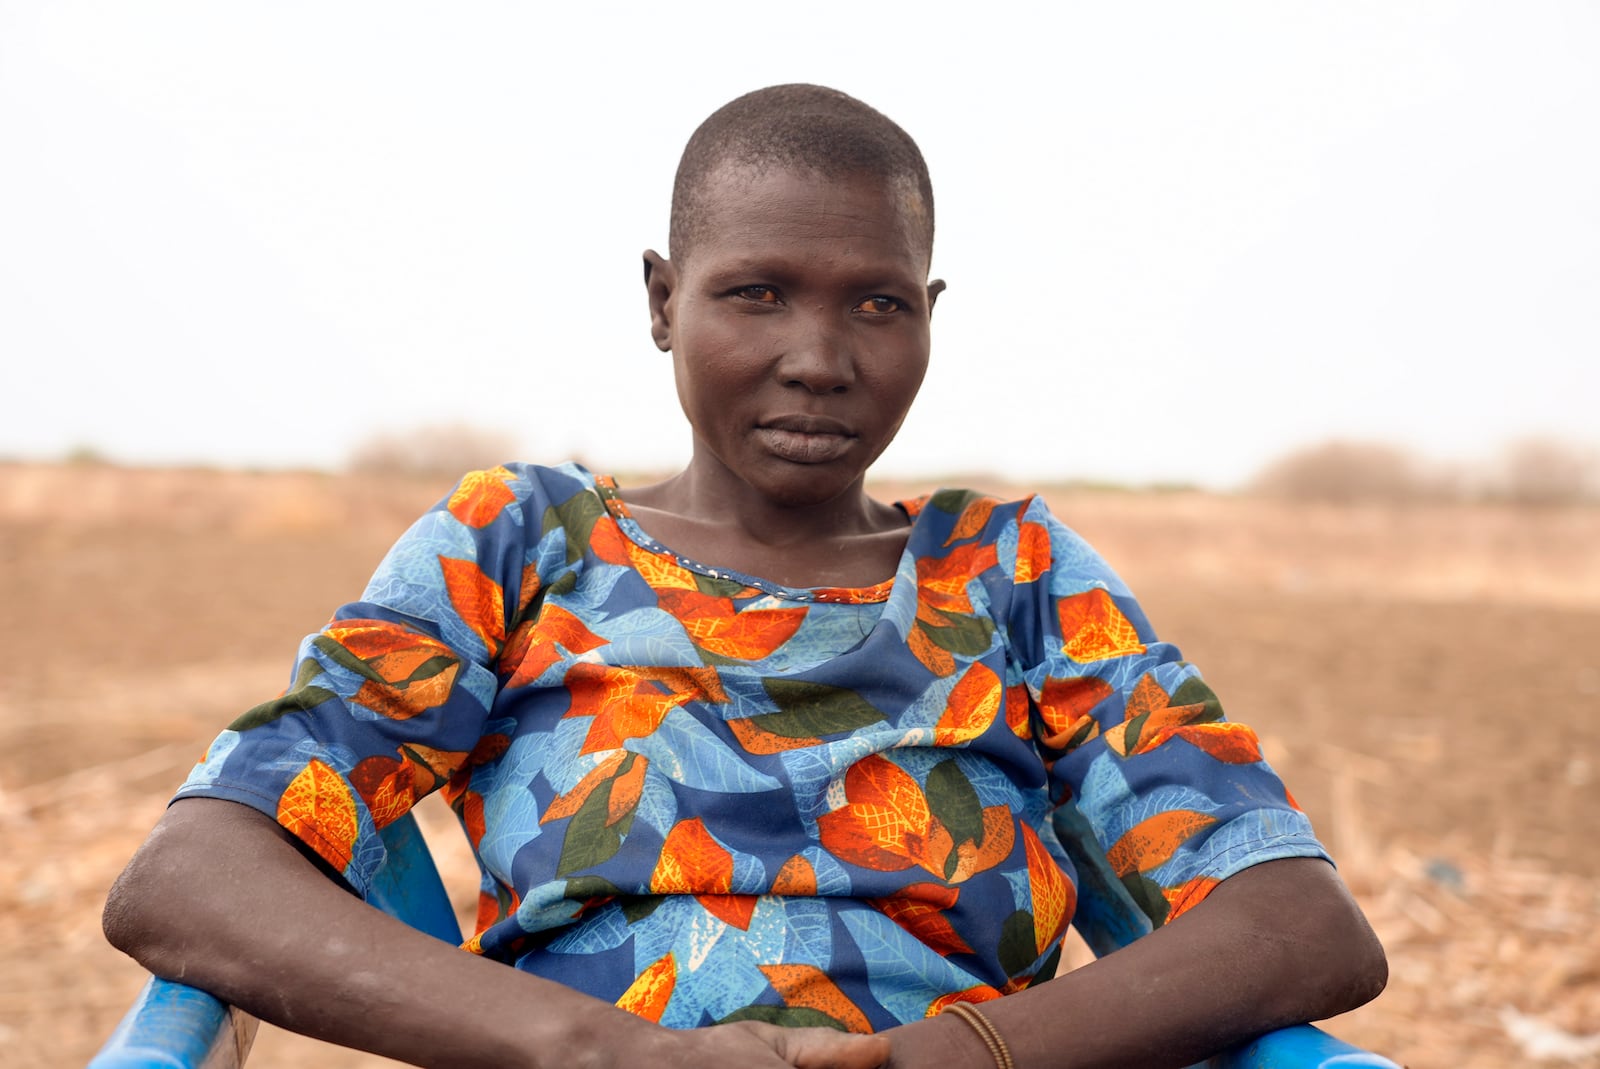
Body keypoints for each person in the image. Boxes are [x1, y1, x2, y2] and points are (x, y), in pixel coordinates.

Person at [103, 84, 1386, 1069]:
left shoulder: (1013, 575)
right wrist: (607, 1051)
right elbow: (188, 878)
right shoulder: (524, 542)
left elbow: (1298, 923)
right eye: (756, 293)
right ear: (664, 301)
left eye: (878, 305)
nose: (818, 356)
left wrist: (968, 1050)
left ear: (932, 310)